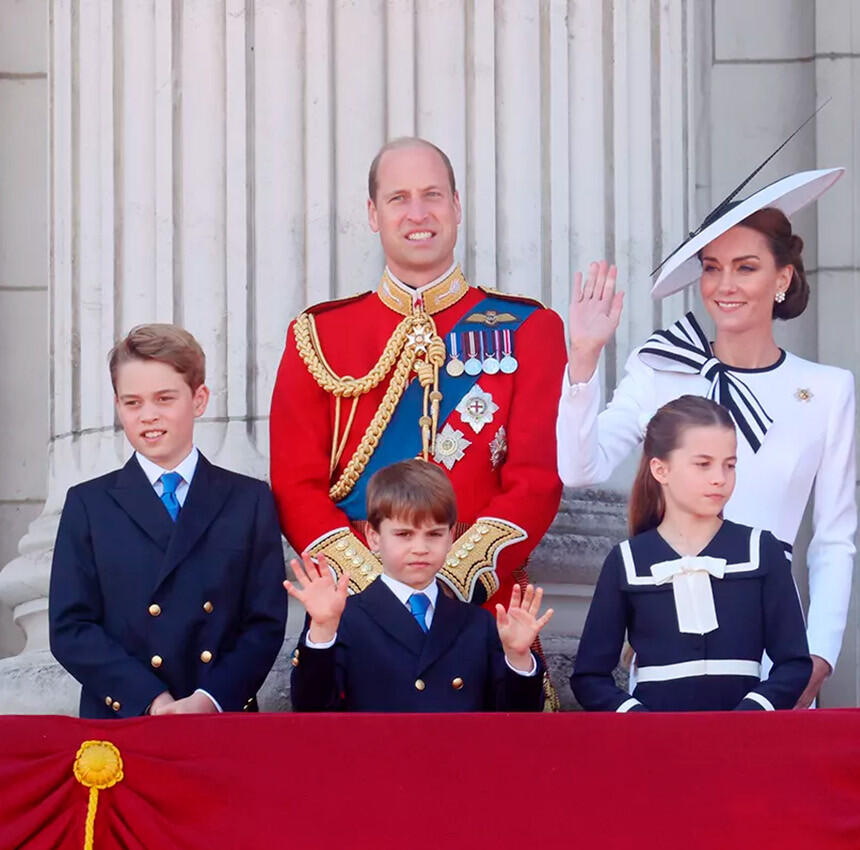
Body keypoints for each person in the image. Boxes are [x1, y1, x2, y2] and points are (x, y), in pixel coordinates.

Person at [557, 167, 855, 708]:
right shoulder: (660, 367)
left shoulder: (828, 390)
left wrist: (818, 656)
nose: (725, 286)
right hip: (669, 643)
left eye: (746, 268)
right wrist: (583, 361)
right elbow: (580, 469)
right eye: (712, 268)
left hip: (774, 649)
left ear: (783, 278)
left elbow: (834, 537)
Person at [269, 136, 565, 616]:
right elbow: (294, 484)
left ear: (456, 206)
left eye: (432, 195)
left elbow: (536, 480)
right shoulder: (318, 336)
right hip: (355, 614)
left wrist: (448, 585)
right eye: (398, 198)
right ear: (373, 214)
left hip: (480, 614)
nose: (417, 213)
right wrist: (374, 591)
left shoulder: (529, 330)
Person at [50, 324, 287, 718]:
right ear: (118, 406)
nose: (148, 416)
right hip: (126, 721)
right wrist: (149, 699)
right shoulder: (87, 504)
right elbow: (71, 627)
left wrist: (209, 700)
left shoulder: (249, 500)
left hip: (220, 719)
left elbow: (264, 622)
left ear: (199, 399)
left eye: (164, 398)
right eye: (132, 402)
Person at [570, 397, 811, 712]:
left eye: (730, 464)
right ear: (661, 469)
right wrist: (639, 721)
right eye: (703, 464)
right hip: (657, 750)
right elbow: (589, 677)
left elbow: (794, 663)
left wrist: (752, 713)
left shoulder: (761, 550)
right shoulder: (627, 561)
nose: (719, 478)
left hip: (744, 747)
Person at [287, 459, 552, 712]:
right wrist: (321, 632)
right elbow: (312, 708)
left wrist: (518, 658)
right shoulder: (344, 618)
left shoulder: (478, 623)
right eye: (404, 535)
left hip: (461, 758)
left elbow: (514, 721)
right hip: (375, 757)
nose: (420, 549)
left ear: (450, 538)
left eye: (434, 534)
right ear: (374, 537)